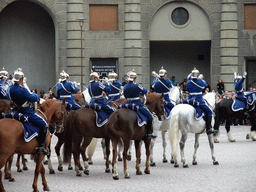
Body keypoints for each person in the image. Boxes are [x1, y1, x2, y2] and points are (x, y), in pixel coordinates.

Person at [8, 68, 49, 154]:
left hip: (15, 110)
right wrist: (33, 93)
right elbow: (34, 98)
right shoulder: (22, 90)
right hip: (26, 111)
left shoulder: (10, 89)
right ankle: (41, 146)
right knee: (44, 124)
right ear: (20, 79)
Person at [123, 69, 156, 138]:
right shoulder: (137, 86)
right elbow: (145, 91)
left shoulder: (125, 87)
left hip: (127, 104)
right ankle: (149, 132)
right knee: (150, 116)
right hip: (137, 104)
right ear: (135, 78)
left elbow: (125, 96)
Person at [186, 68, 216, 135]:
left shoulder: (188, 82)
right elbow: (205, 85)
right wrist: (199, 78)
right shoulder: (200, 81)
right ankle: (209, 128)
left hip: (190, 99)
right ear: (197, 75)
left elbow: (188, 88)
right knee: (209, 112)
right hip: (198, 99)